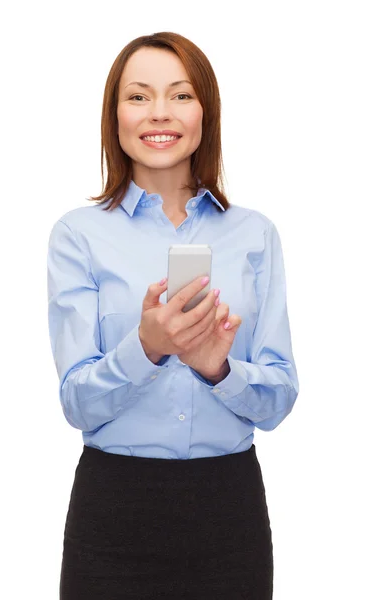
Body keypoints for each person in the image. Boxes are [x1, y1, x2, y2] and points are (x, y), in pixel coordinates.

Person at [47, 31, 299, 600]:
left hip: (228, 511)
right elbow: (76, 403)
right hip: (113, 511)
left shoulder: (254, 235)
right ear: (114, 116)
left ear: (205, 111)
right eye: (138, 97)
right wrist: (148, 346)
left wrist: (220, 370)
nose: (159, 112)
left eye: (180, 95)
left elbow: (279, 397)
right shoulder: (78, 236)